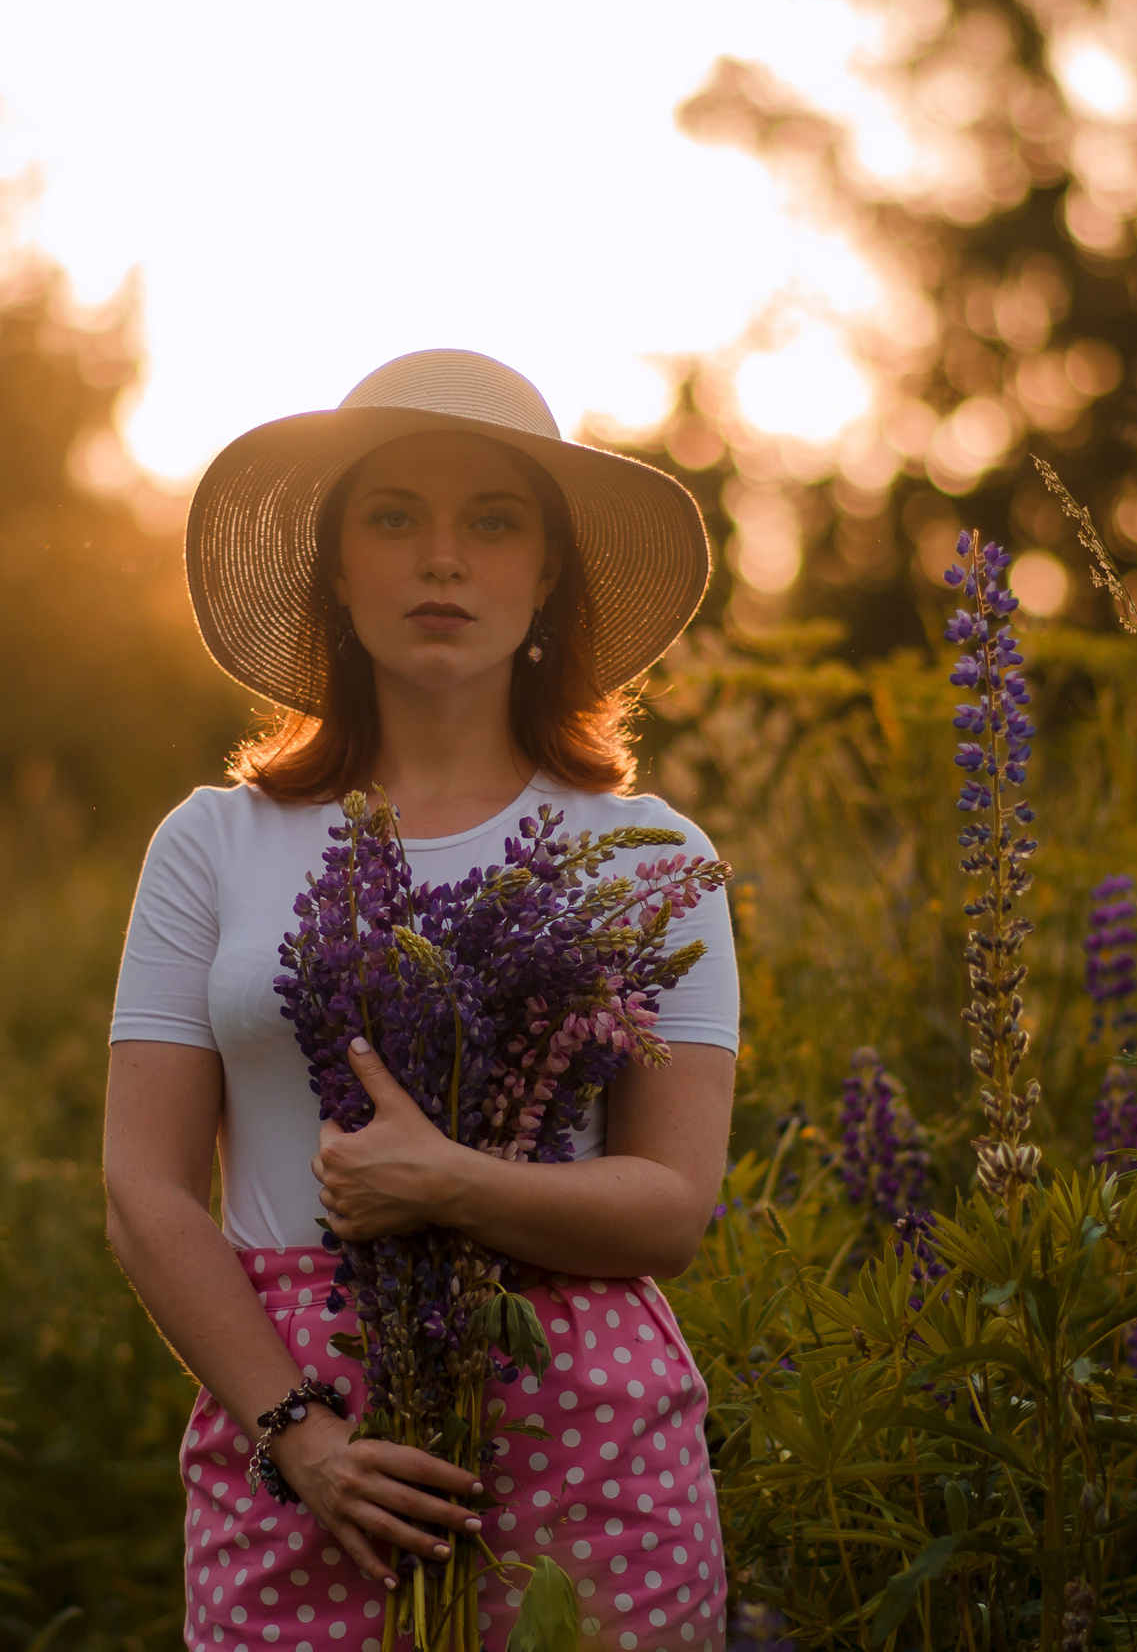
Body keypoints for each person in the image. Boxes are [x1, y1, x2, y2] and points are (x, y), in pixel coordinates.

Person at [103, 350, 738, 1652]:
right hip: (294, 1428)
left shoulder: (651, 853)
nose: (441, 559)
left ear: (548, 572)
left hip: (582, 1424)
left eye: (492, 521)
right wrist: (303, 1438)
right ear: (338, 568)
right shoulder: (214, 842)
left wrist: (447, 1183)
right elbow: (146, 1191)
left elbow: (669, 1208)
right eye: (393, 518)